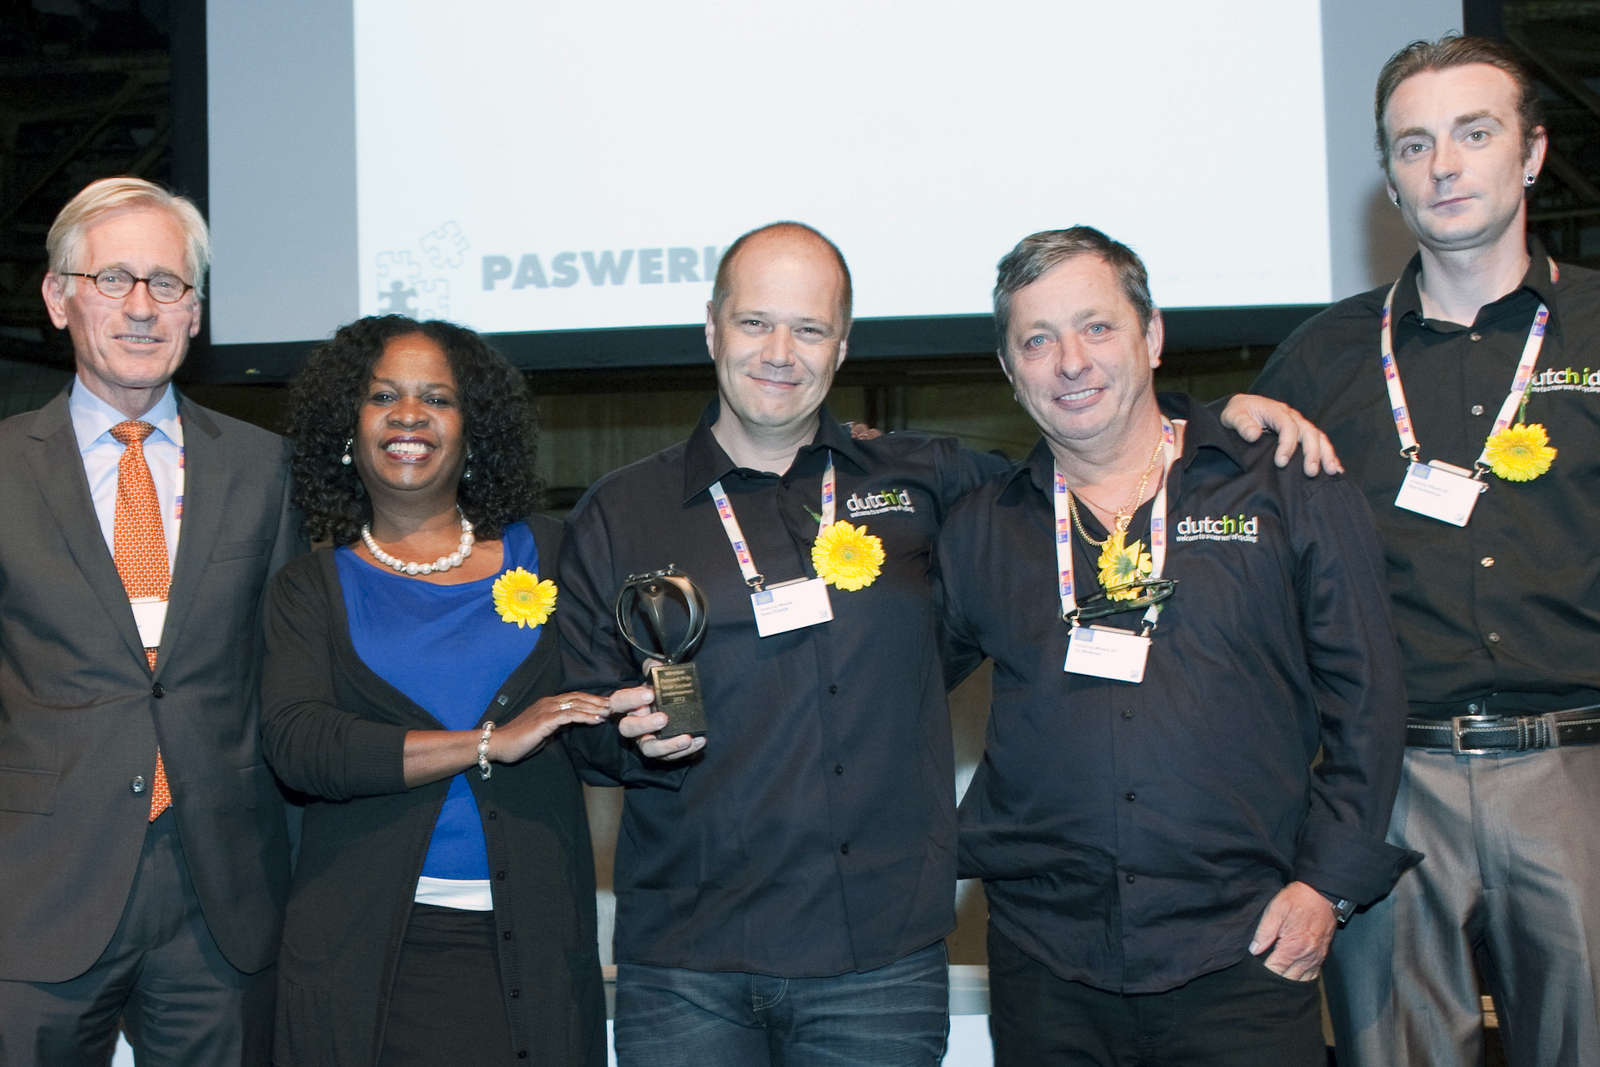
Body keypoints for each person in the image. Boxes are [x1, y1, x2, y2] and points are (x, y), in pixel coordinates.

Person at [558, 221, 1339, 1067]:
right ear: (712, 329)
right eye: (754, 324)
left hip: (880, 962)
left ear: (842, 345)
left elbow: (1092, 444)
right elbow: (585, 715)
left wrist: (1213, 420)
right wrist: (624, 733)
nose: (780, 351)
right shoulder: (619, 509)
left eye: (810, 328)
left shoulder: (925, 479)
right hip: (687, 961)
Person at [936, 226, 1418, 1067]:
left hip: (1246, 951)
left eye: (1097, 327)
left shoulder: (1279, 481)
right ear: (1011, 373)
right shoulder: (982, 527)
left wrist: (1325, 889)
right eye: (1037, 341)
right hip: (1047, 964)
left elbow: (1367, 697)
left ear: (1151, 336)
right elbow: (878, 690)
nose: (1071, 362)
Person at [1253, 34, 1600, 1067]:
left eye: (1472, 133)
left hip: (1577, 771)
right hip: (1387, 789)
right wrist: (1223, 414)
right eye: (1412, 146)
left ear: (1530, 155)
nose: (1442, 165)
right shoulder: (1318, 358)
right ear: (1392, 179)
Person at [259, 316, 664, 1067]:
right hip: (360, 953)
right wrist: (483, 743)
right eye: (383, 395)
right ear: (349, 427)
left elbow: (600, 709)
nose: (408, 414)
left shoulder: (553, 550)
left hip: (532, 948)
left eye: (436, 399)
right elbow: (300, 744)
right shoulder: (308, 588)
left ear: (473, 431)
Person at [0, 177, 299, 1066]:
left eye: (166, 284)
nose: (141, 307)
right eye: (113, 280)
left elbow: (282, 676)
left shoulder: (264, 467)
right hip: (35, 892)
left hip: (220, 900)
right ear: (59, 299)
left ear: (195, 313)